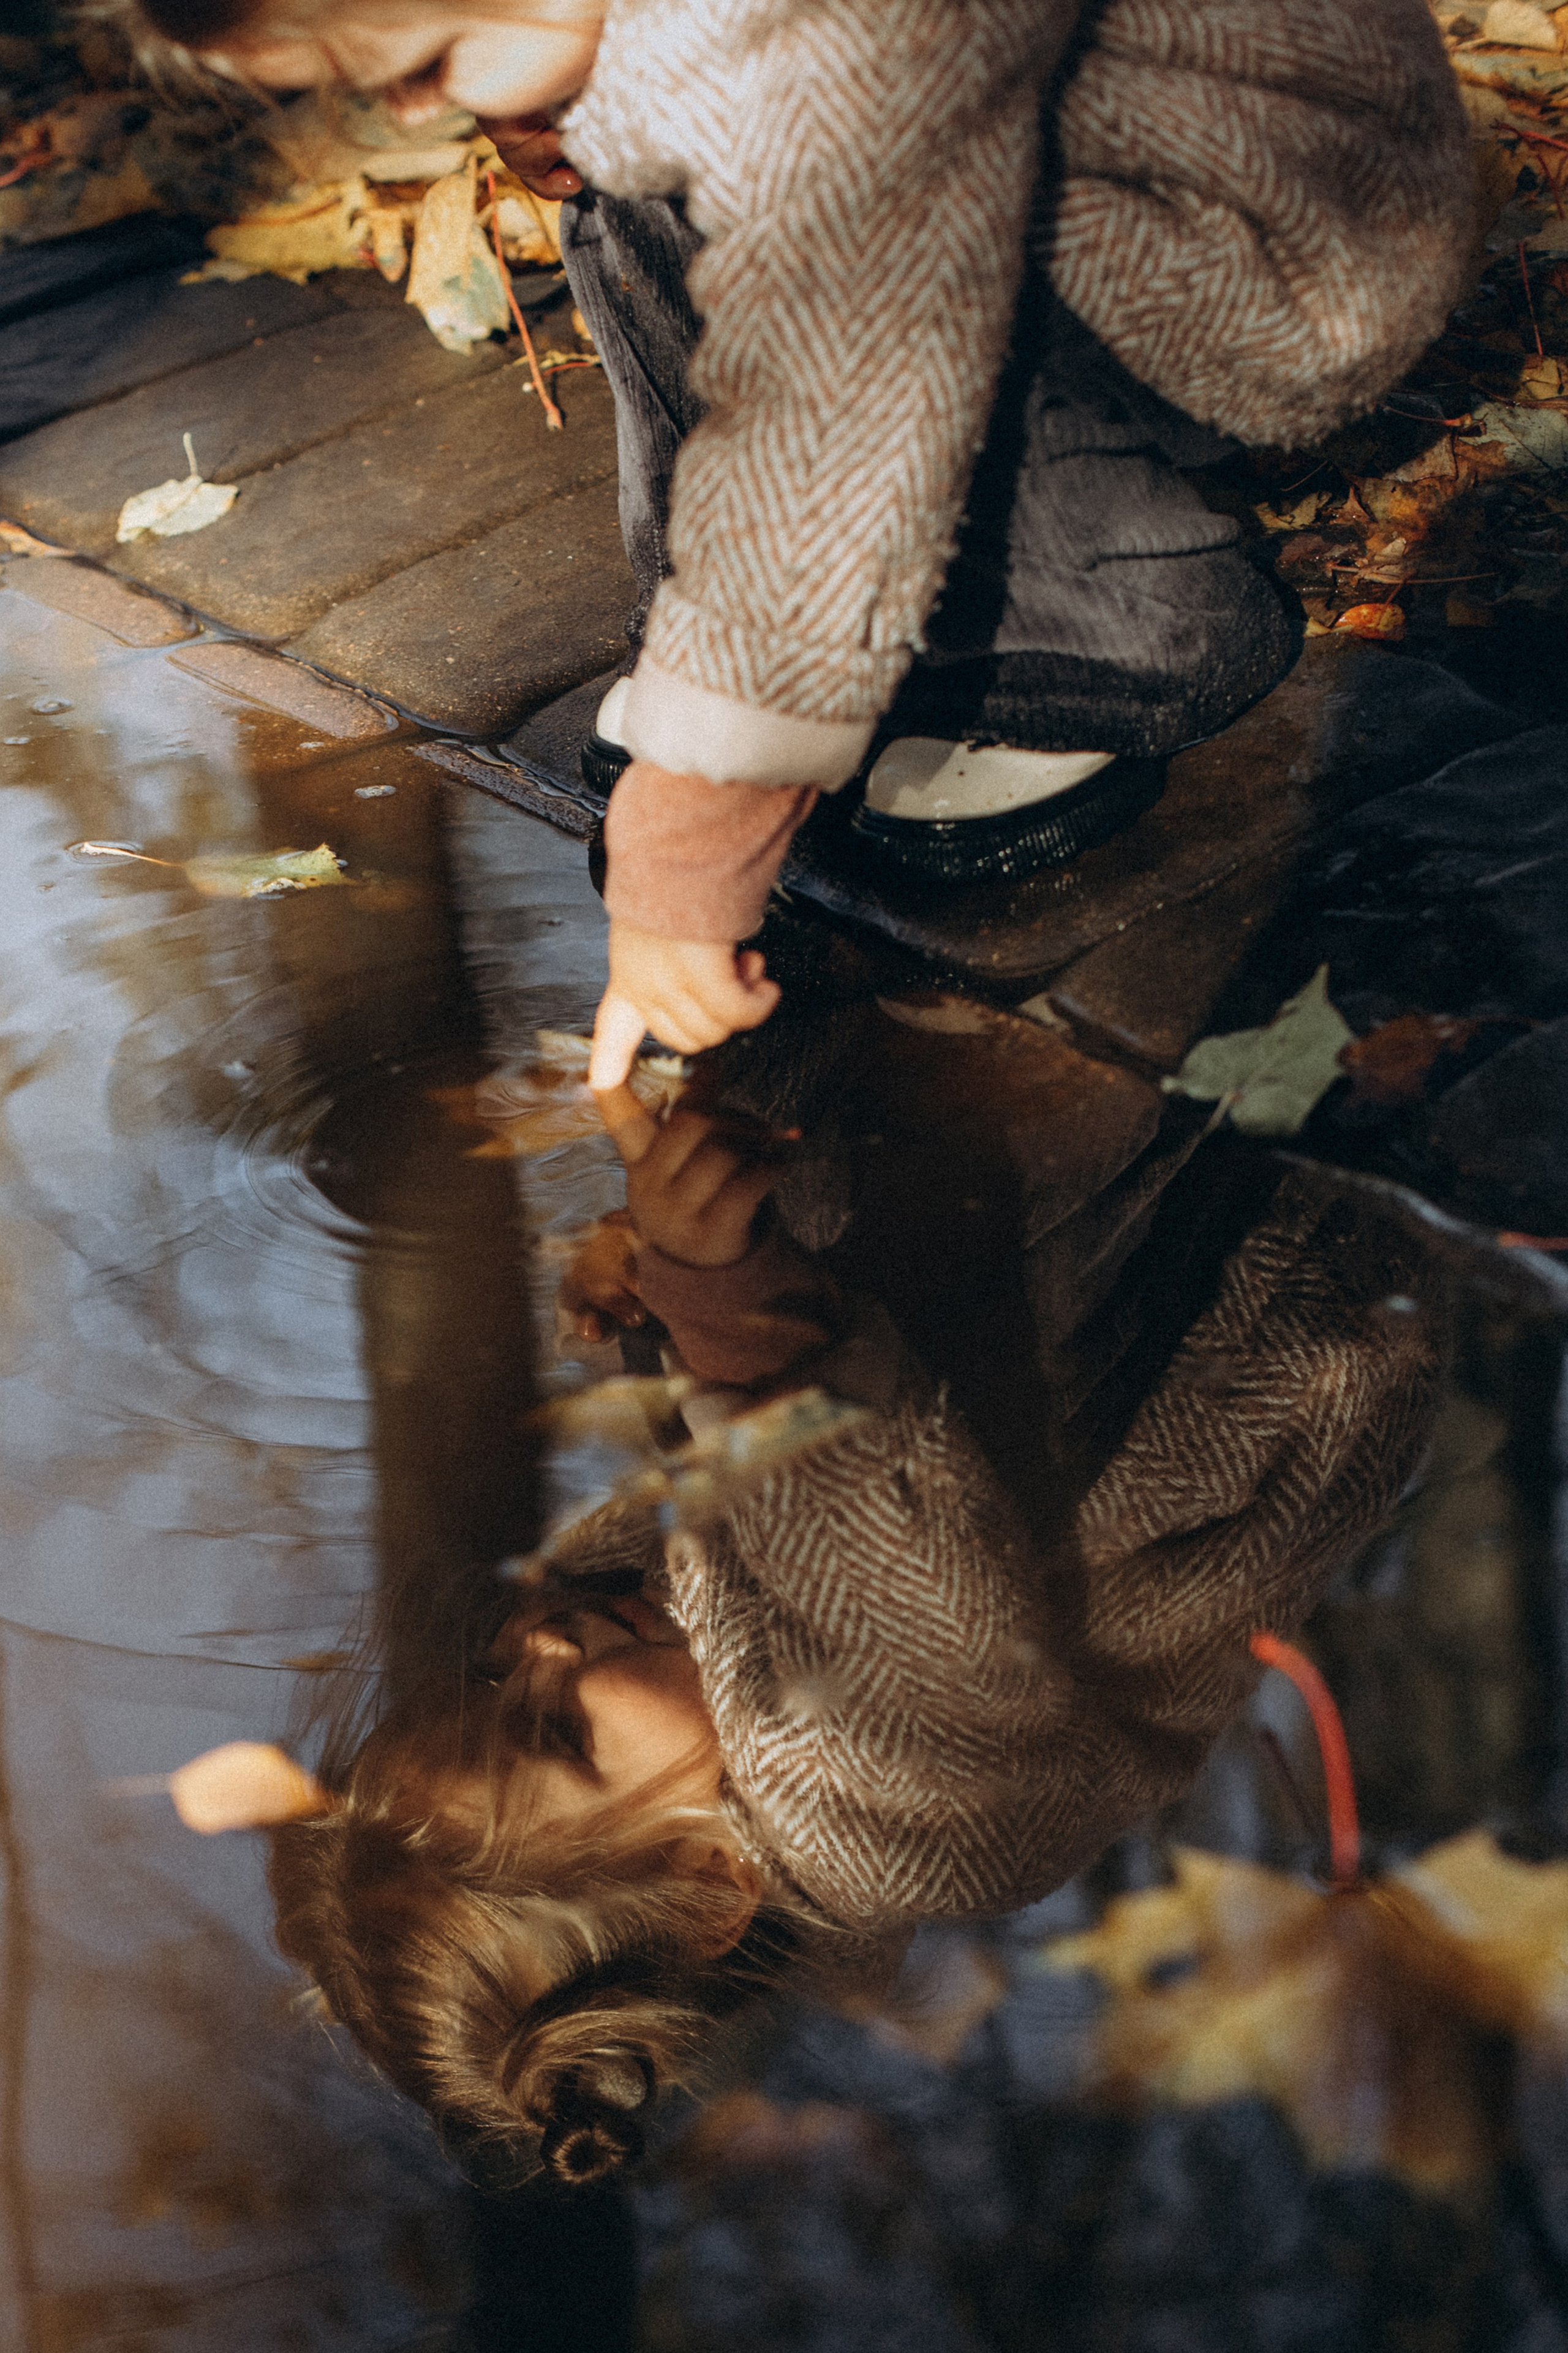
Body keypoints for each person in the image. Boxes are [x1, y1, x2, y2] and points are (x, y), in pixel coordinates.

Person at [170, 1004, 1446, 2186]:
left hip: (1101, 1253)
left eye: (494, 1677)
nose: (537, 1639)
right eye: (551, 1728)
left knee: (811, 1120)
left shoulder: (699, 1706)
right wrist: (718, 1303)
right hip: (1272, 1267)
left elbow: (751, 1514)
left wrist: (653, 1323)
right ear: (713, 1885)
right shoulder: (886, 1820)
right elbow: (874, 1551)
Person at [108, 0, 1472, 1081]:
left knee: (843, 315)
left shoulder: (832, 34)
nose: (412, 108)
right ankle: (765, 662)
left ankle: (1110, 628)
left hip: (1258, 250)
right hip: (1039, 156)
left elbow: (841, 402)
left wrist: (692, 843)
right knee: (633, 173)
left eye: (430, 59)